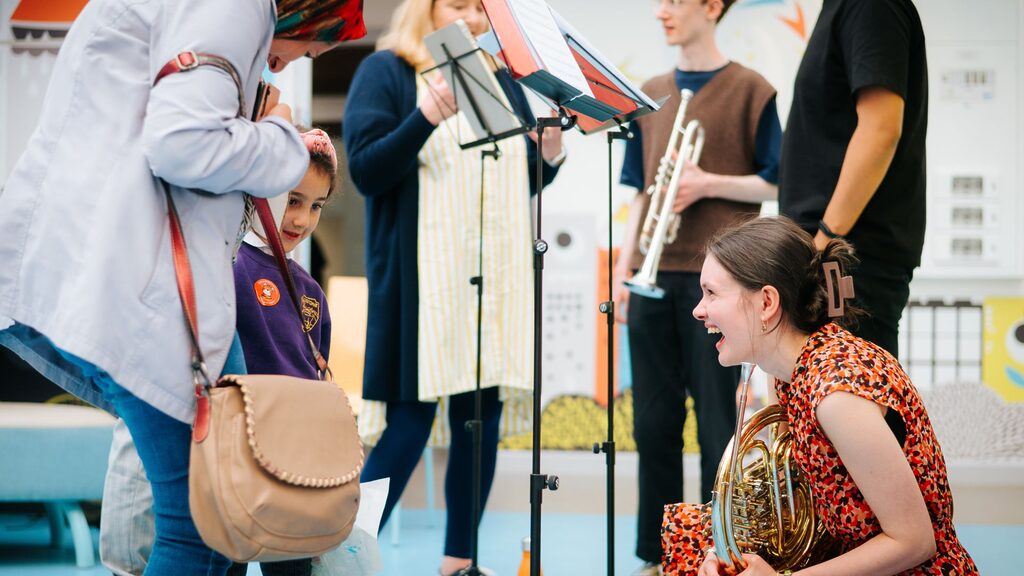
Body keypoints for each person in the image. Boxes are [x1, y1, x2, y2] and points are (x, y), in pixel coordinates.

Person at [0, 1, 365, 574]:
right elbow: (182, 143)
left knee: (220, 518)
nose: (287, 62)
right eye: (310, 51)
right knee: (199, 524)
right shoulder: (238, 7)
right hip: (142, 286)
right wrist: (279, 137)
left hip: (115, 272)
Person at [342, 0, 563, 574]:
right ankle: (339, 555)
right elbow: (365, 170)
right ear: (427, 7)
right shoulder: (386, 71)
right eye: (458, 3)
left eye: (479, 7)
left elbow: (511, 179)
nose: (470, 17)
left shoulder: (498, 78)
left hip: (490, 278)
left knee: (479, 420)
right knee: (408, 423)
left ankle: (457, 563)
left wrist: (550, 158)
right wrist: (426, 115)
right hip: (421, 284)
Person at [659, 216, 978, 575]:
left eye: (712, 293)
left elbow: (915, 542)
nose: (698, 310)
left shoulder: (836, 395)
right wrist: (729, 553)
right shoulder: (785, 371)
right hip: (845, 554)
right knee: (695, 542)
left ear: (766, 302)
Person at [613, 0, 781, 571]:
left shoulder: (753, 89)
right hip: (653, 276)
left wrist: (708, 181)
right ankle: (658, 554)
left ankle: (720, 551)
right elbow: (639, 191)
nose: (662, 11)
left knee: (718, 426)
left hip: (724, 284)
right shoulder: (651, 91)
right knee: (652, 424)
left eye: (675, 1)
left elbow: (776, 178)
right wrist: (623, 273)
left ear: (711, 7)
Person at [778, 0, 928, 358]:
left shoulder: (869, 6)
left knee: (849, 402)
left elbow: (880, 130)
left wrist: (823, 242)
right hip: (831, 253)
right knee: (821, 404)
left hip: (843, 255)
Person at [225, 127, 337, 576]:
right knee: (225, 561)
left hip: (295, 461)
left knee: (291, 567)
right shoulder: (228, 265)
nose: (303, 219)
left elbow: (316, 370)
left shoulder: (310, 289)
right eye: (293, 200)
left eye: (316, 206)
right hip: (234, 456)